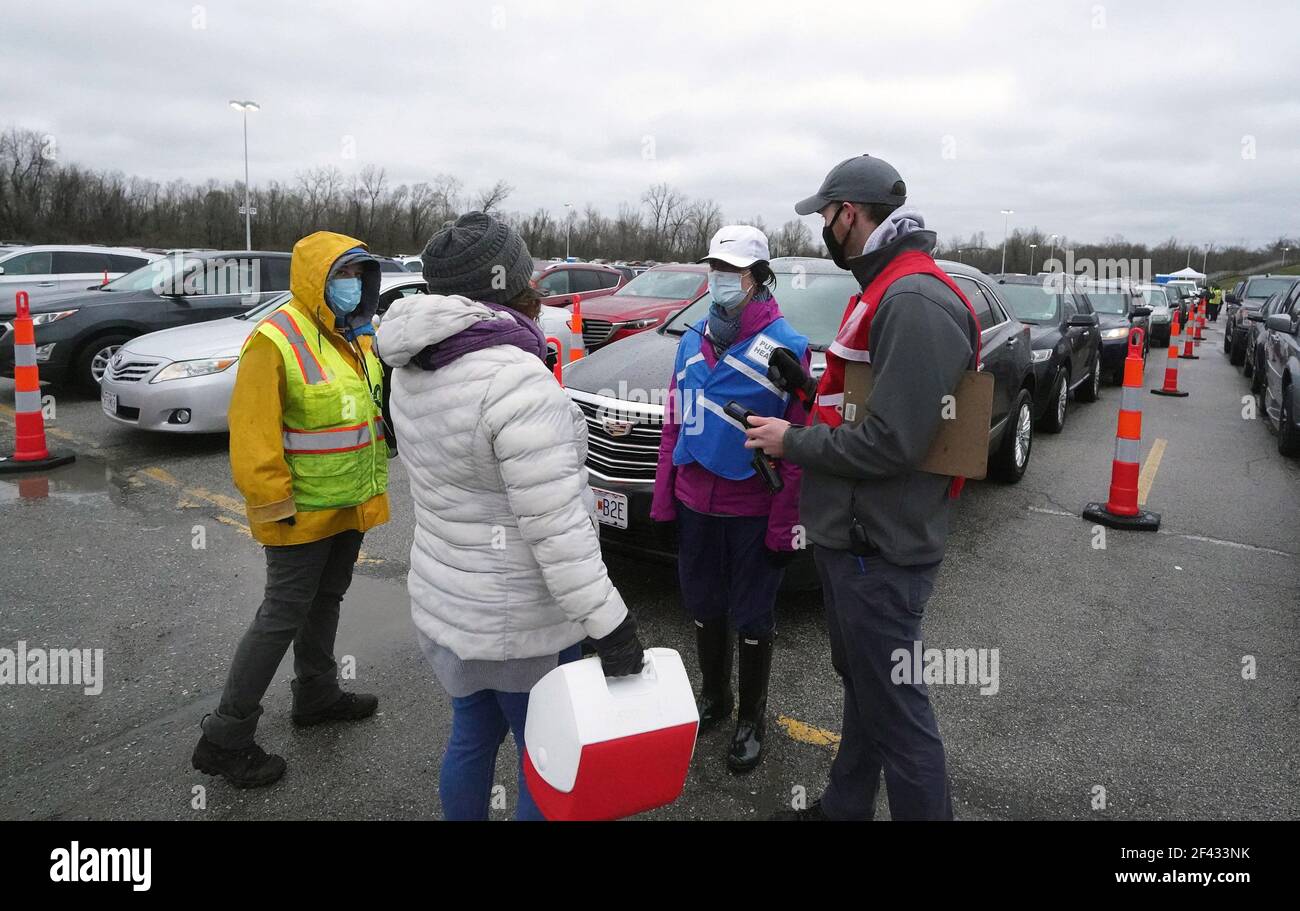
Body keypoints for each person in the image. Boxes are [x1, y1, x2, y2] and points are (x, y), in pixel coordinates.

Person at [377, 212, 644, 821]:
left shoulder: (416, 365)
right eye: (532, 280)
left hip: (450, 605)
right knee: (544, 756)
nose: (542, 293)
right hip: (522, 623)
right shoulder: (518, 384)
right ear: (514, 288)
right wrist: (611, 624)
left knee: (471, 736)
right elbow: (557, 531)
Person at [743, 154, 980, 820]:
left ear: (849, 213)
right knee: (868, 691)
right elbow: (868, 405)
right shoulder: (886, 286)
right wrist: (804, 394)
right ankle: (845, 807)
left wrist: (791, 441)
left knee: (899, 715)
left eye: (824, 215)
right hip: (855, 540)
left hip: (879, 547)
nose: (821, 226)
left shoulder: (912, 297)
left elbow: (893, 442)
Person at [192, 231, 390, 789]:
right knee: (280, 615)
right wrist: (271, 501)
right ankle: (225, 737)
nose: (353, 285)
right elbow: (252, 433)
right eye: (342, 275)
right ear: (316, 280)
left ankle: (316, 693)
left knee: (325, 601)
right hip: (297, 511)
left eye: (360, 275)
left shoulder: (356, 337)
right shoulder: (275, 339)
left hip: (348, 503)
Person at [650, 225, 808, 773]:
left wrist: (784, 525)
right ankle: (714, 700)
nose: (719, 280)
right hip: (696, 503)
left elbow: (797, 450)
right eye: (715, 269)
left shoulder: (789, 347)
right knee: (702, 605)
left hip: (751, 509)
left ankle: (751, 718)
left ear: (757, 277)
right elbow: (675, 421)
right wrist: (665, 499)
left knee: (752, 615)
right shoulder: (693, 339)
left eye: (732, 272)